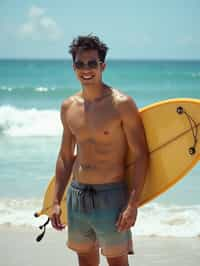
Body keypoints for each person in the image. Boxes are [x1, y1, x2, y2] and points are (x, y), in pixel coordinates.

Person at [50, 35, 149, 266]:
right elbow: (66, 156)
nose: (86, 69)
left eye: (92, 63)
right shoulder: (68, 107)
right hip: (77, 195)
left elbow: (141, 155)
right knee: (85, 261)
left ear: (102, 66)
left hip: (111, 197)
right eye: (80, 64)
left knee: (117, 263)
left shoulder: (121, 104)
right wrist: (56, 199)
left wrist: (132, 205)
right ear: (73, 67)